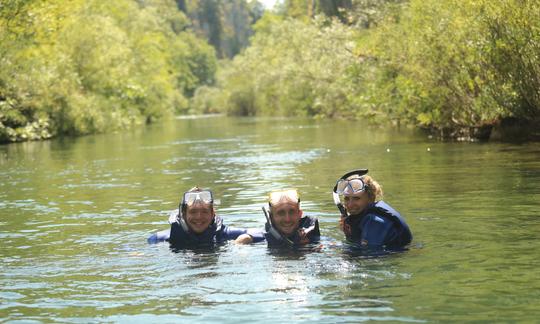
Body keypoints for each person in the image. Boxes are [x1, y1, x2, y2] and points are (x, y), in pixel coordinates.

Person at [147, 187, 264, 247]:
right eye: (193, 212)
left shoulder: (224, 234)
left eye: (204, 211)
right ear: (183, 214)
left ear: (213, 214)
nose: (199, 217)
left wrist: (246, 237)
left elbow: (263, 233)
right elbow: (142, 247)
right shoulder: (163, 238)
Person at [333, 169, 412, 248]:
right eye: (347, 199)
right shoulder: (363, 218)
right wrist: (348, 233)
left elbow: (369, 255)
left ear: (371, 198)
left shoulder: (375, 221)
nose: (350, 204)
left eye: (356, 198)